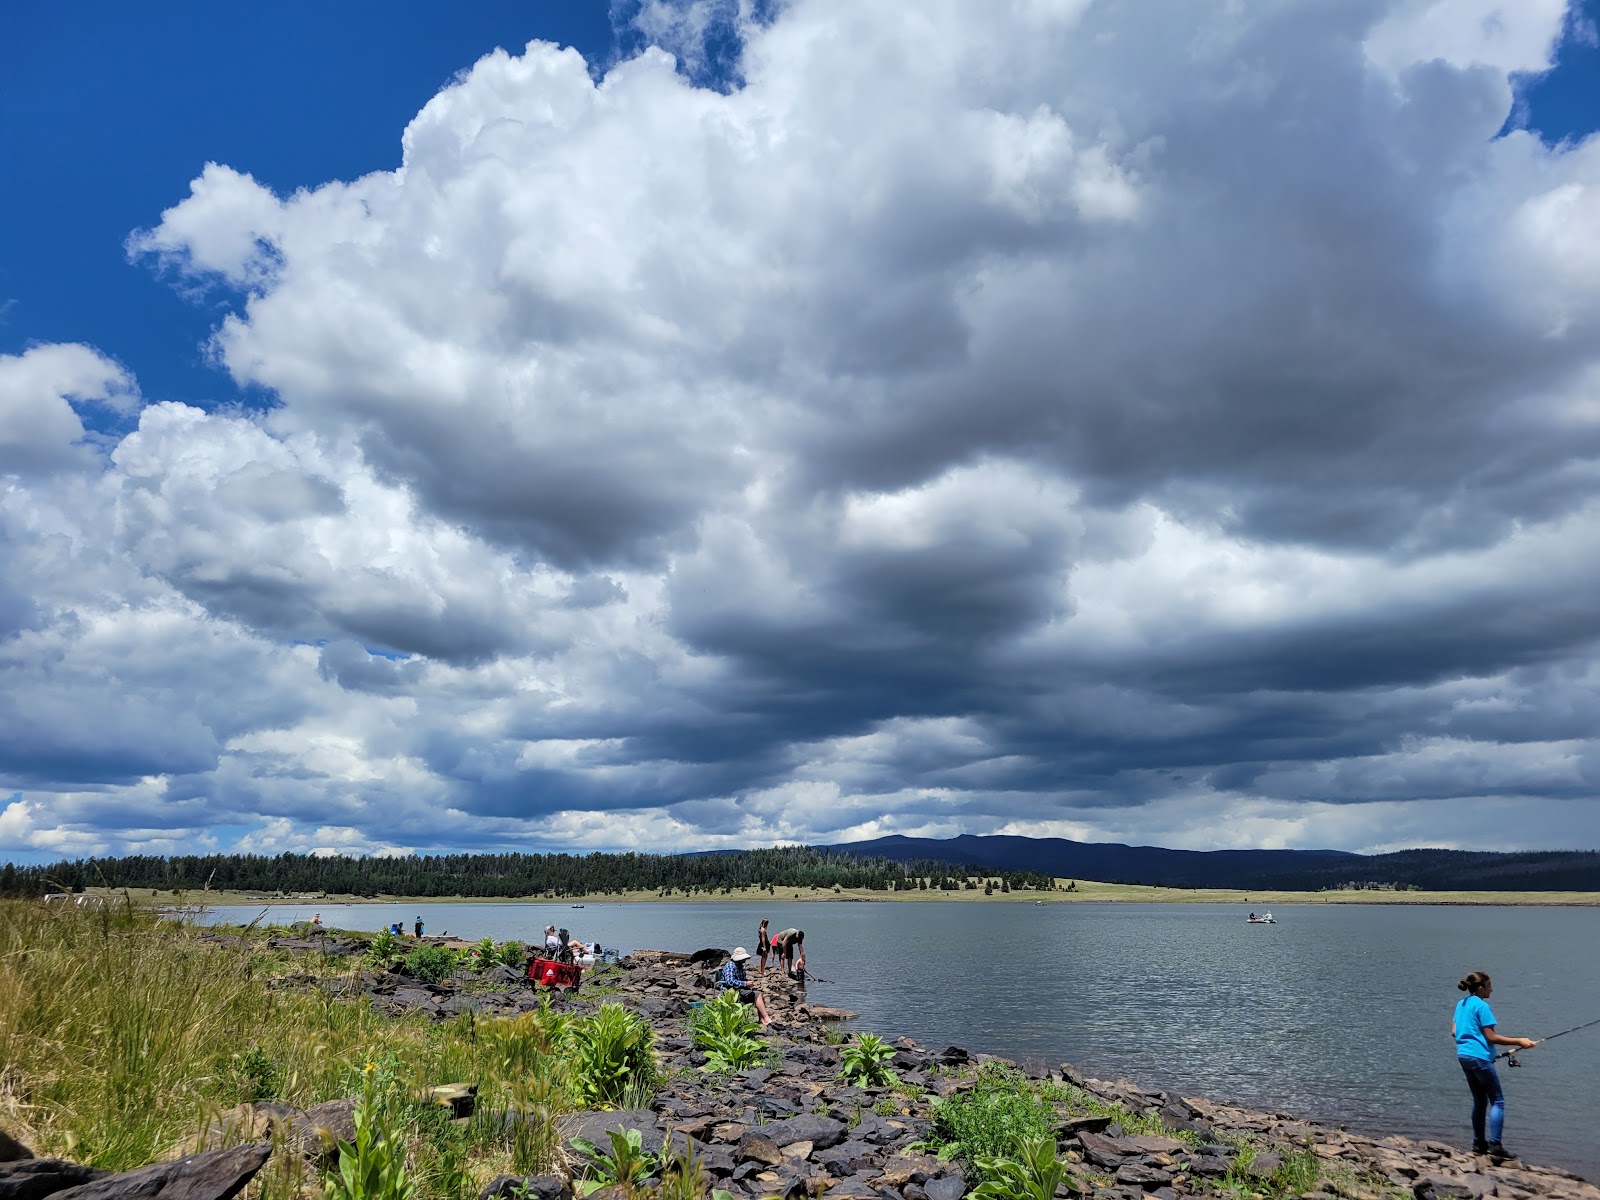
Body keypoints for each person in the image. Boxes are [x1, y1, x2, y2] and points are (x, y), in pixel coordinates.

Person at [1454, 970, 1537, 1159]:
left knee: (1480, 1101)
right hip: (1480, 1058)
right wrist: (1520, 1041)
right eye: (1490, 985)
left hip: (1464, 1056)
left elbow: (1454, 1031)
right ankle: (1495, 1145)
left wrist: (1471, 1037)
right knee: (1497, 1101)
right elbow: (1491, 1037)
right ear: (1481, 987)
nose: (1492, 989)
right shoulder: (1482, 1006)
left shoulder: (1461, 1004)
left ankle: (1478, 1144)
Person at [719, 948, 771, 1026]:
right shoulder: (730, 966)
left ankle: (762, 1019)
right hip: (730, 991)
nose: (745, 960)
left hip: (738, 989)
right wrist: (745, 983)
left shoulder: (741, 966)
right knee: (757, 995)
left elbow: (743, 979)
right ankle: (766, 1018)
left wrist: (748, 984)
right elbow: (730, 982)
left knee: (759, 994)